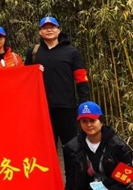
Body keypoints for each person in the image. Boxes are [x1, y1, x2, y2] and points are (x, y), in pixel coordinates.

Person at [25, 16, 90, 146]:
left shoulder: (71, 52)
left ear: (59, 30)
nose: (49, 30)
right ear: (40, 32)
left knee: (72, 146)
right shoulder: (33, 53)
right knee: (46, 146)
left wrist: (84, 103)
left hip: (67, 107)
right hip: (42, 108)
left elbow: (81, 78)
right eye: (45, 28)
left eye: (52, 27)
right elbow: (25, 78)